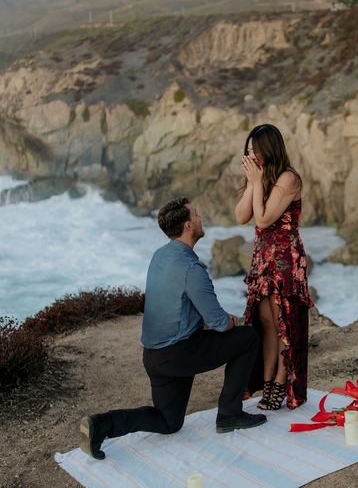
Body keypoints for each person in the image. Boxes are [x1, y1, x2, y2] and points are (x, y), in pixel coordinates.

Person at [80, 196, 266, 460]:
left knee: (169, 422)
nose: (201, 218)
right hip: (179, 354)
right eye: (197, 215)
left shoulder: (160, 255)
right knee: (247, 338)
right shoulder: (191, 268)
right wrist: (233, 320)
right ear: (188, 226)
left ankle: (101, 425)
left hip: (154, 357)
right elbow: (219, 323)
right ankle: (230, 414)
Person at [235, 124, 314, 411]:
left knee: (283, 325)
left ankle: (281, 383)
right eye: (248, 150)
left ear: (269, 149)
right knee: (266, 324)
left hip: (284, 261)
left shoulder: (288, 179)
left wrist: (257, 184)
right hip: (262, 260)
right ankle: (267, 380)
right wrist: (253, 182)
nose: (251, 155)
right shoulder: (262, 178)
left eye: (255, 150)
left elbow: (264, 220)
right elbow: (241, 214)